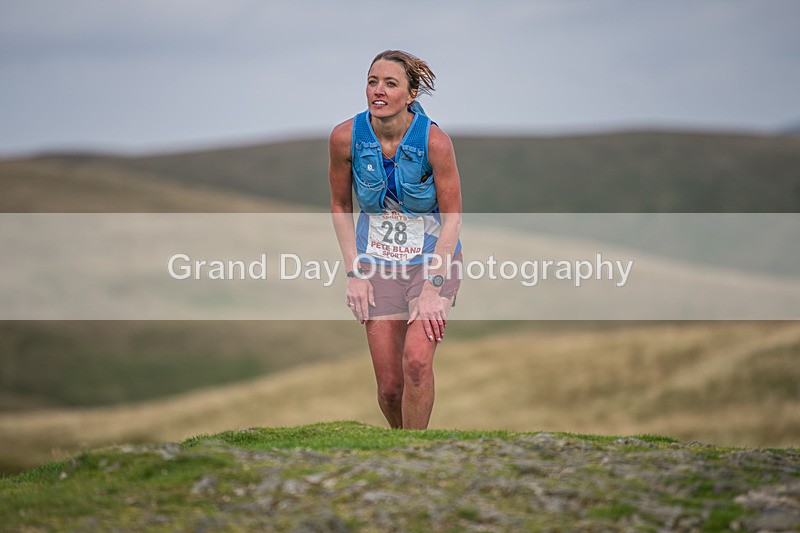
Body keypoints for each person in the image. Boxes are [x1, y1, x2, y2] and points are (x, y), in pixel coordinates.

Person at [329, 50, 463, 430]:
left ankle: (414, 455)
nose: (379, 90)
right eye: (373, 81)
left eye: (391, 83)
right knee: (390, 387)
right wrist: (355, 272)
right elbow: (340, 206)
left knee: (417, 362)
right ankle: (397, 447)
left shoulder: (435, 143)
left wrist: (434, 287)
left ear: (411, 93)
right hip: (377, 265)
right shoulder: (344, 138)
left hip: (431, 262)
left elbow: (453, 216)